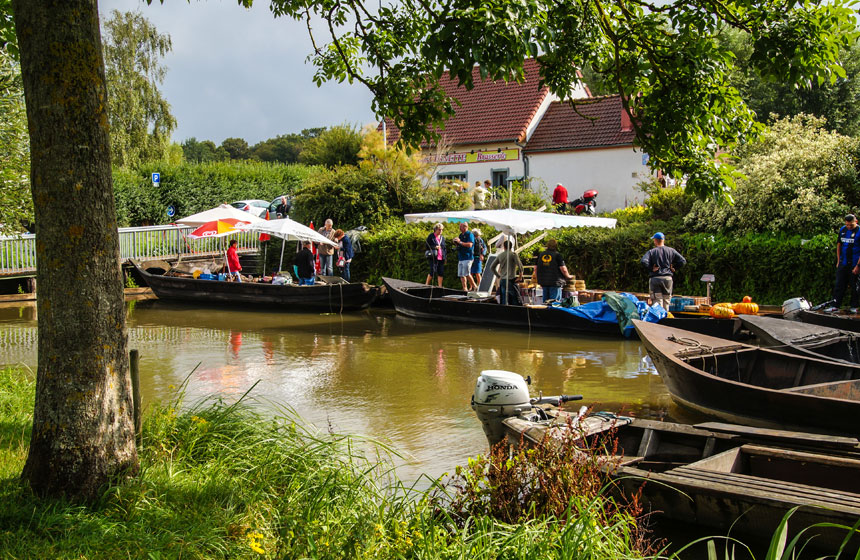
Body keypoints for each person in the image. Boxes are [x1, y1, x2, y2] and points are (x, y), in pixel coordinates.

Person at [640, 232, 686, 309]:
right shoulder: (671, 250)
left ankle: (659, 319)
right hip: (668, 279)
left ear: (655, 240)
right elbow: (683, 261)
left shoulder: (652, 251)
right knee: (666, 300)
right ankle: (666, 318)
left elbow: (643, 261)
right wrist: (674, 268)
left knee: (657, 301)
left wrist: (651, 268)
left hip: (656, 279)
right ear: (663, 240)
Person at [827, 214, 860, 312]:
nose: (849, 227)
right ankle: (835, 305)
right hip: (843, 262)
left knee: (855, 286)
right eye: (847, 225)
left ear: (856, 222)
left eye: (851, 225)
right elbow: (839, 245)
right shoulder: (843, 230)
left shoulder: (859, 231)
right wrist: (838, 260)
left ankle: (854, 306)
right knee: (839, 284)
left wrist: (858, 266)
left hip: (854, 263)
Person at [492, 240, 524, 305]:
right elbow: (521, 267)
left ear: (504, 246)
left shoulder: (500, 255)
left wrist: (498, 276)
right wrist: (520, 277)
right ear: (511, 246)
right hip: (511, 279)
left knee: (504, 299)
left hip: (503, 280)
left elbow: (492, 267)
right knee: (514, 299)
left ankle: (504, 313)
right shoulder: (513, 255)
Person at [452, 222, 477, 291]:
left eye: (461, 227)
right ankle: (464, 288)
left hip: (468, 257)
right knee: (461, 274)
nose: (459, 228)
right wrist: (456, 243)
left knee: (466, 273)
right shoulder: (460, 235)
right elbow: (460, 245)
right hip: (461, 257)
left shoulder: (470, 234)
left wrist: (460, 242)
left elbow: (470, 245)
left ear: (465, 227)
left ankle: (475, 286)